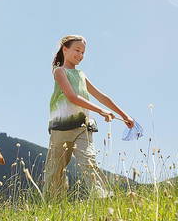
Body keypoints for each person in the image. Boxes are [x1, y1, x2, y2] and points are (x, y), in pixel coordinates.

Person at [43, 35, 134, 200]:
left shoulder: (81, 75)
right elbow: (72, 97)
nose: (80, 55)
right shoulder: (59, 72)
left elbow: (102, 97)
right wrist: (101, 111)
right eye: (77, 50)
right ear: (65, 49)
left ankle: (103, 199)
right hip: (60, 129)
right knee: (55, 171)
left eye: (83, 52)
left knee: (89, 162)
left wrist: (124, 114)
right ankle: (52, 204)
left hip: (82, 127)